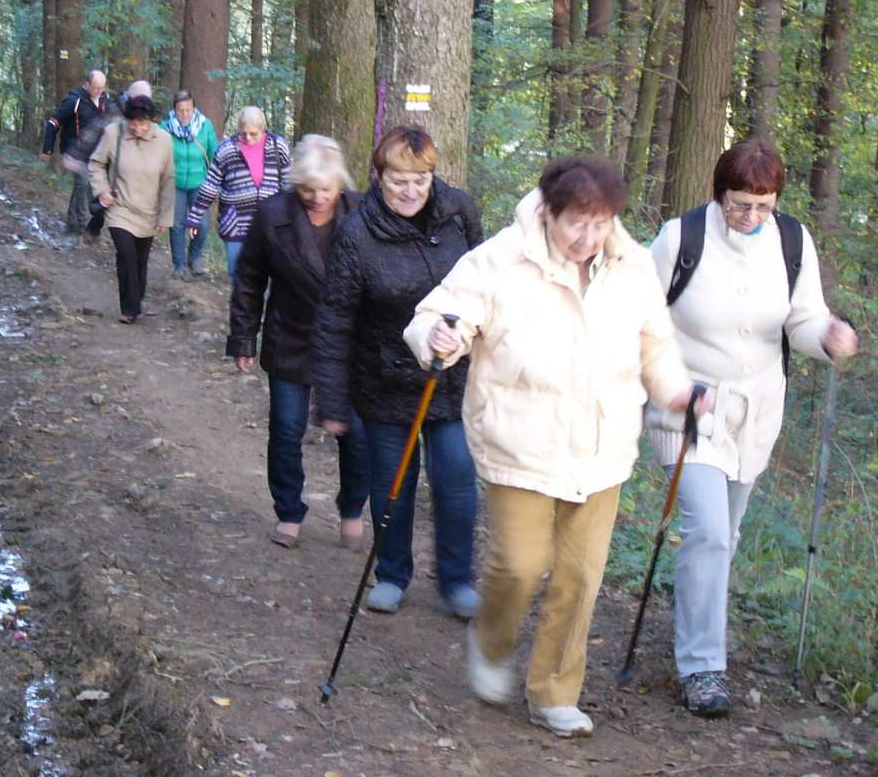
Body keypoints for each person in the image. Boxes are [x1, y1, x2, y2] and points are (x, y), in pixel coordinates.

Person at [403, 154, 702, 739]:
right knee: (519, 564)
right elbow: (438, 316)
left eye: (600, 224)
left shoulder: (633, 266)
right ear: (549, 213)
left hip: (602, 446)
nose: (588, 238)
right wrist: (437, 335)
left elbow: (657, 348)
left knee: (580, 575)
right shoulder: (499, 260)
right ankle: (491, 643)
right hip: (518, 441)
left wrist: (679, 393)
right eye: (575, 224)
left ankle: (554, 692)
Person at [645, 139, 858, 718]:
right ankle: (702, 669)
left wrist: (829, 336)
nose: (752, 218)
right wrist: (664, 383)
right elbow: (639, 313)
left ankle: (694, 626)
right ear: (719, 196)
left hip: (757, 413)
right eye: (741, 205)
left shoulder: (791, 241)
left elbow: (803, 318)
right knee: (710, 532)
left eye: (763, 207)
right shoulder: (679, 238)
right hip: (686, 409)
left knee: (726, 538)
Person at [311, 126, 484, 619]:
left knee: (455, 477)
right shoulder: (356, 233)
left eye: (420, 180)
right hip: (383, 379)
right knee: (394, 483)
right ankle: (391, 574)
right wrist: (332, 398)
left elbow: (483, 283)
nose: (410, 191)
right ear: (378, 177)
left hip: (449, 376)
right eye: (398, 181)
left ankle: (456, 580)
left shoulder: (460, 212)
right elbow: (335, 318)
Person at [229, 135, 369, 550]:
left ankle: (351, 508)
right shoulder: (272, 214)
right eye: (307, 189)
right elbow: (250, 280)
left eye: (325, 188)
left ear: (340, 184)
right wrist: (242, 338)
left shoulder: (364, 213)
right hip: (290, 335)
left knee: (356, 435)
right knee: (286, 430)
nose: (317, 197)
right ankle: (289, 511)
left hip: (349, 344)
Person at [88, 95, 176, 324]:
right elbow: (96, 163)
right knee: (125, 255)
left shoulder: (164, 140)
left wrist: (165, 216)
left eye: (142, 123)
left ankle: (136, 298)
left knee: (140, 260)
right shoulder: (113, 133)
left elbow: (168, 180)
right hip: (120, 208)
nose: (137, 128)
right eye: (133, 123)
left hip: (148, 211)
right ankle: (129, 309)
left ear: (151, 121)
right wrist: (102, 190)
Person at [185, 106, 291, 279]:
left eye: (253, 133)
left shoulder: (278, 146)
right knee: (238, 276)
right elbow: (211, 184)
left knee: (266, 275)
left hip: (269, 224)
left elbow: (288, 183)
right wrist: (195, 216)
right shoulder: (226, 149)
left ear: (263, 129)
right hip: (235, 224)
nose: (248, 138)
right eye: (243, 133)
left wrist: (290, 217)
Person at [41, 69, 117, 241]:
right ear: (87, 84)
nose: (99, 91)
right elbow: (54, 122)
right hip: (72, 153)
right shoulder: (74, 100)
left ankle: (72, 222)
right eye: (96, 87)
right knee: (83, 181)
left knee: (85, 186)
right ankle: (81, 225)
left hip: (93, 154)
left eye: (102, 88)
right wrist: (48, 149)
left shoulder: (105, 102)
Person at [161, 91, 218, 279]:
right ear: (174, 110)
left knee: (201, 224)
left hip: (199, 183)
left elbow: (214, 155)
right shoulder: (165, 128)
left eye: (188, 110)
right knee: (176, 224)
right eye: (180, 110)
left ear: (194, 109)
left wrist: (214, 182)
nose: (184, 114)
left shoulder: (205, 126)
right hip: (174, 183)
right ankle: (179, 265)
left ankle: (194, 258)